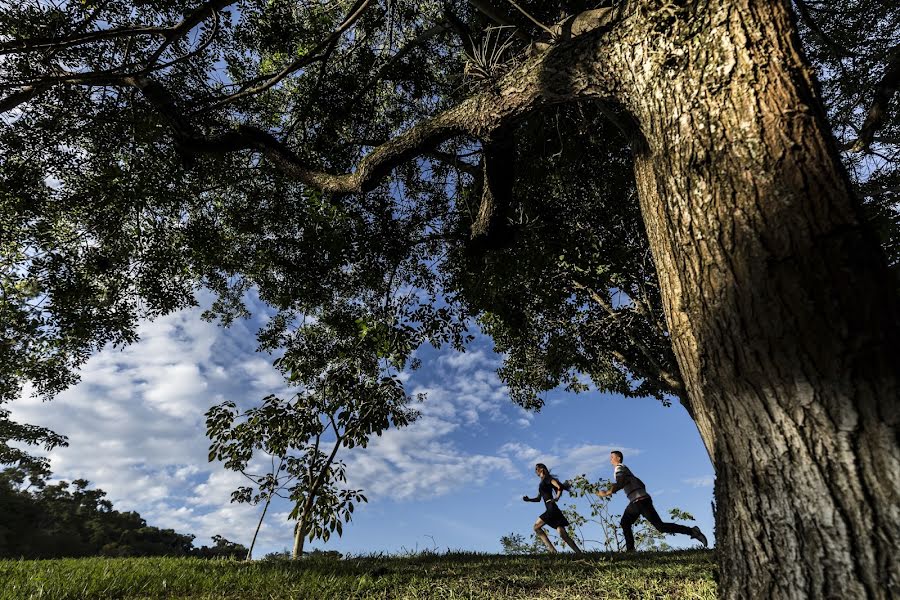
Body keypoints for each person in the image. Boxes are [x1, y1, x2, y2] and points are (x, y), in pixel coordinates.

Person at [596, 450, 708, 551]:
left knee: (631, 523)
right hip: (640, 500)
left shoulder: (619, 467)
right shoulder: (626, 470)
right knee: (656, 526)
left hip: (639, 501)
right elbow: (641, 484)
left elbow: (621, 483)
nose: (610, 459)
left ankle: (631, 550)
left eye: (612, 457)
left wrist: (607, 492)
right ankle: (692, 531)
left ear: (618, 458)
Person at [522, 463, 582, 553]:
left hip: (551, 508)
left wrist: (557, 497)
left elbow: (559, 486)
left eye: (536, 469)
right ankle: (579, 553)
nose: (535, 472)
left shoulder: (548, 479)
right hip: (553, 509)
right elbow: (538, 499)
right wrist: (529, 499)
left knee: (536, 527)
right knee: (563, 535)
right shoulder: (542, 483)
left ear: (541, 469)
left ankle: (552, 551)